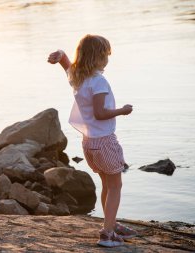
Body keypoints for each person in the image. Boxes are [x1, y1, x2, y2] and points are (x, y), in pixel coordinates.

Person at [48, 34, 137, 247]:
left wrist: (60, 55)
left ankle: (111, 223)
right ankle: (107, 233)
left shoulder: (78, 77)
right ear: (97, 57)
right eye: (105, 55)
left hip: (89, 143)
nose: (107, 59)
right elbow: (100, 113)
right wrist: (122, 111)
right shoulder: (98, 81)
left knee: (106, 184)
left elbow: (66, 65)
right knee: (115, 186)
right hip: (105, 142)